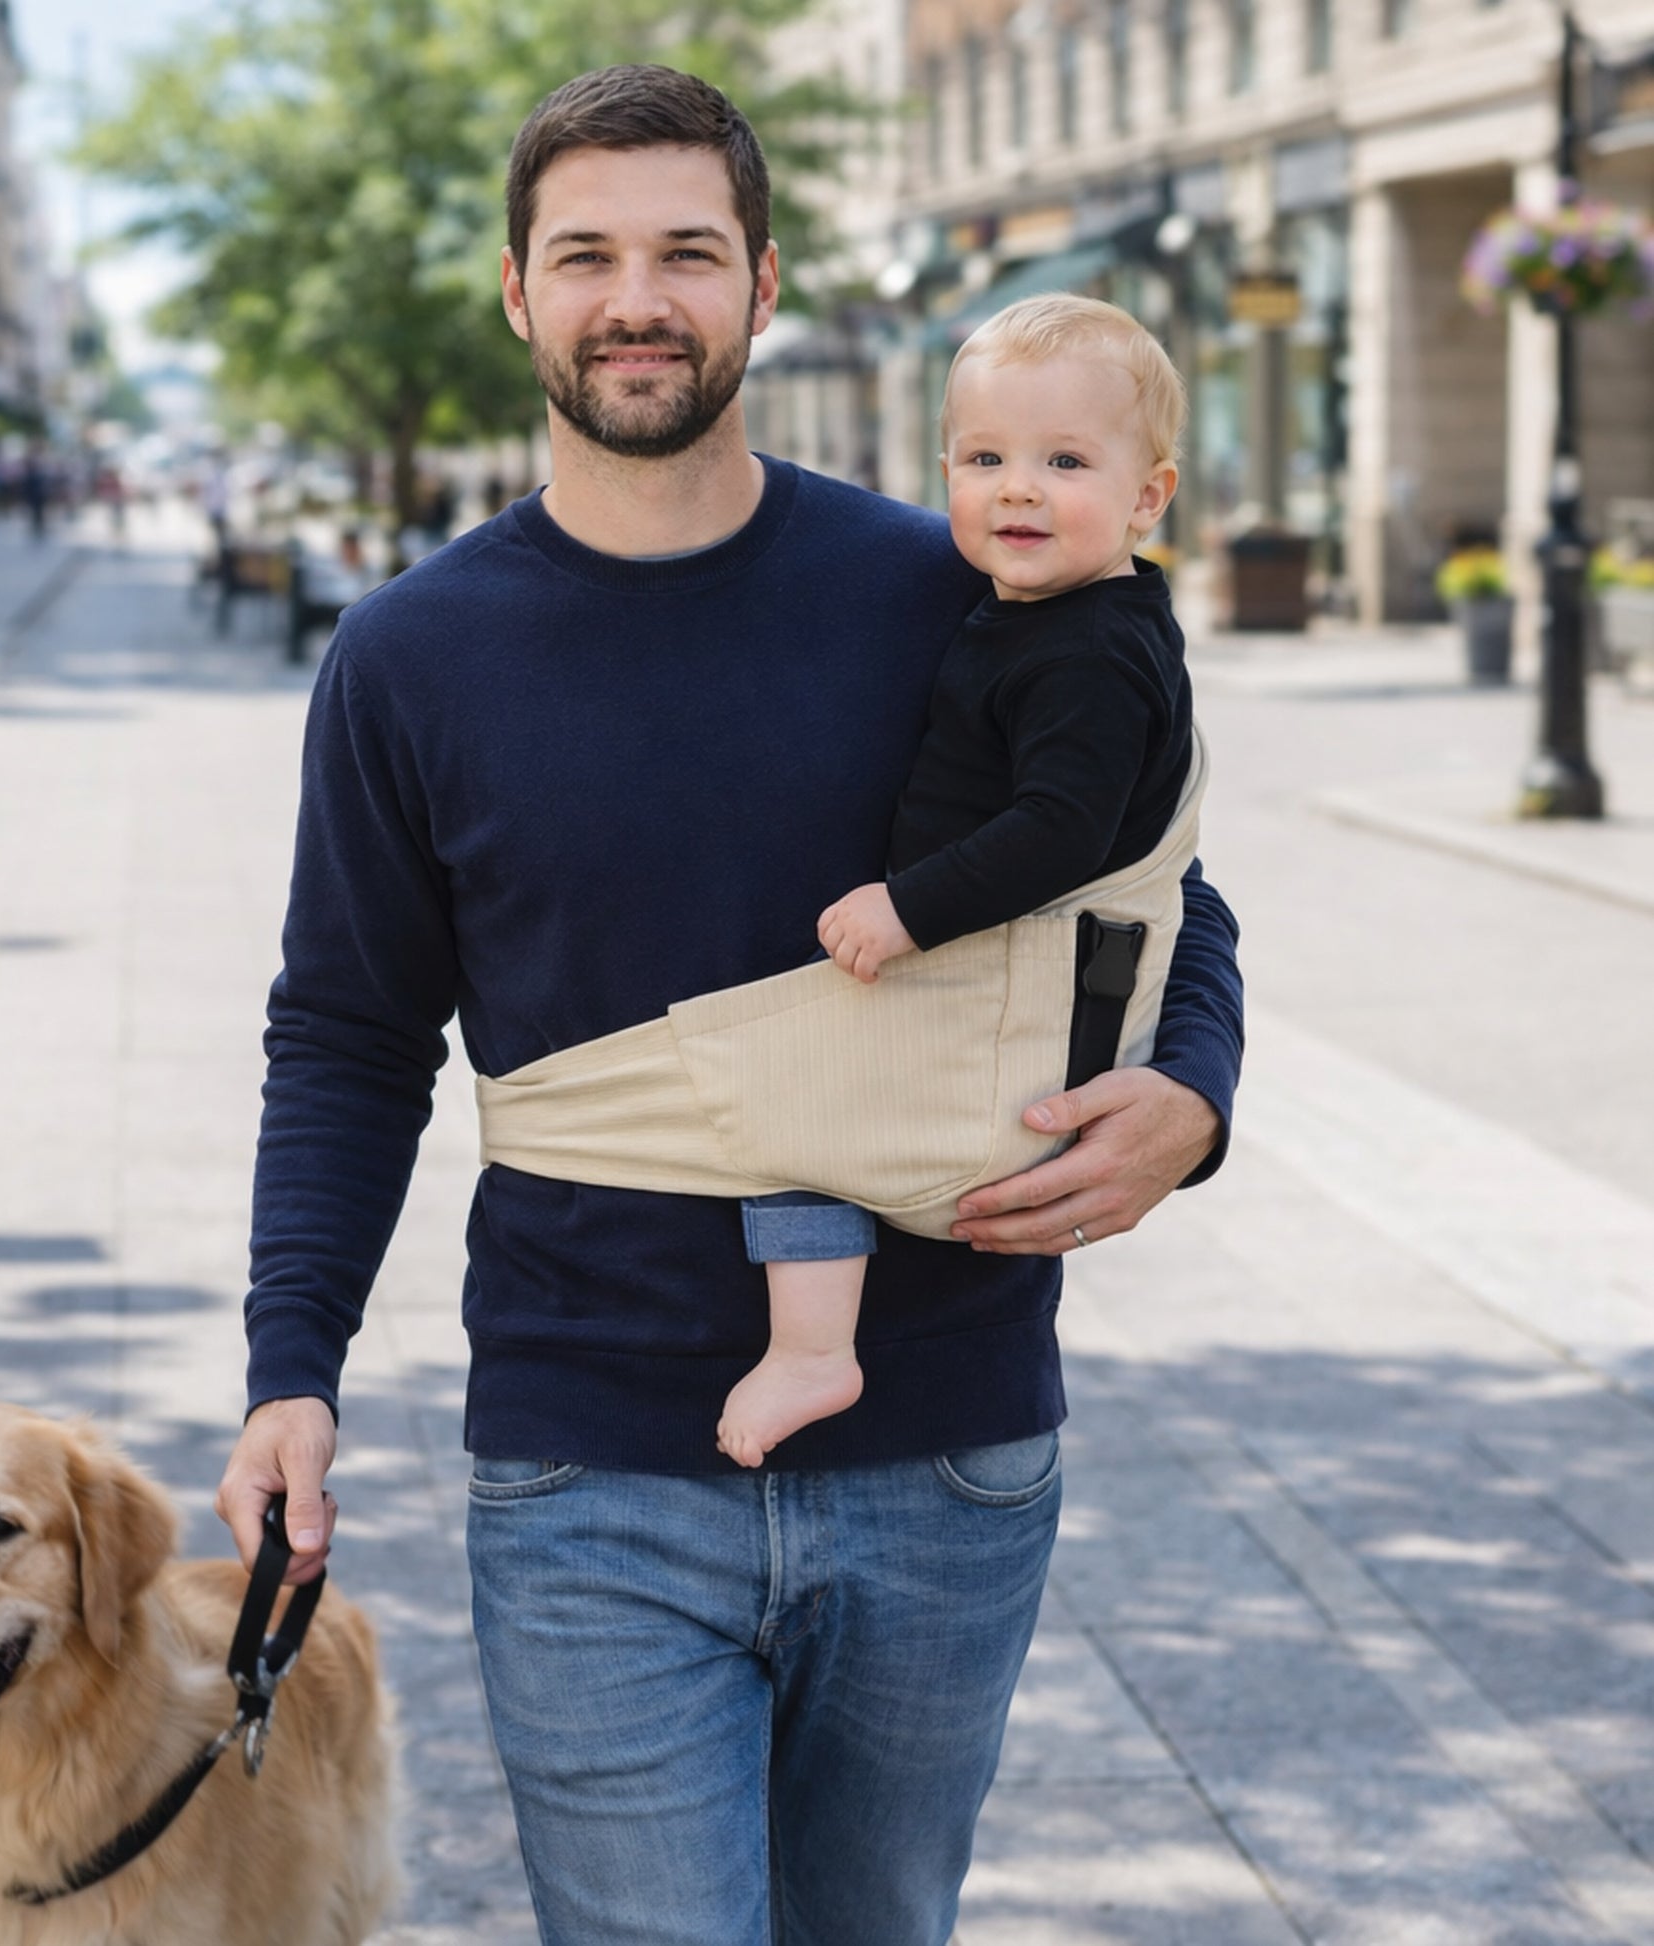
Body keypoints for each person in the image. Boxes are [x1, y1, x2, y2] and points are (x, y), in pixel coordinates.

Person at [216, 65, 1243, 1946]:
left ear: (760, 285)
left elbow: (1145, 879)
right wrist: (295, 1364)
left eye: (687, 251)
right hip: (586, 1453)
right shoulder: (409, 656)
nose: (638, 296)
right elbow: (349, 1037)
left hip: (946, 1433)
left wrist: (1193, 1091)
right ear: (517, 292)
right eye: (586, 253)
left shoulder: (950, 582)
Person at [717, 292, 1192, 1468]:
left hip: (980, 985)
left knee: (801, 1118)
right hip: (970, 980)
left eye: (1062, 460)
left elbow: (1065, 828)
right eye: (984, 458)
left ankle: (815, 1347)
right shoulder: (1032, 610)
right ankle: (817, 1344)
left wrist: (908, 905)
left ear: (1148, 496)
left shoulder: (1088, 647)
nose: (1016, 486)